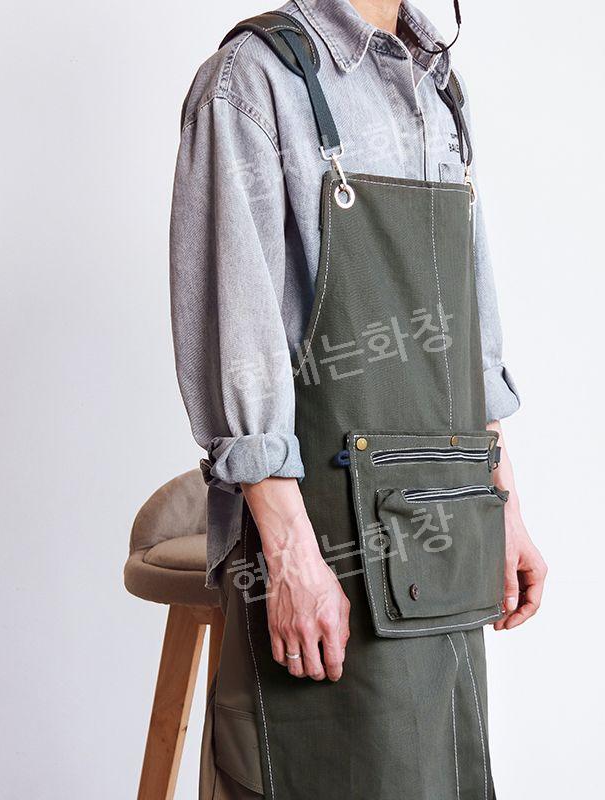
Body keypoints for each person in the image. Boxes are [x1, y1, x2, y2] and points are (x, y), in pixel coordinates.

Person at [170, 1, 547, 797]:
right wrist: (290, 557)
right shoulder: (254, 81)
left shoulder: (435, 85)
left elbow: (469, 331)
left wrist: (504, 503)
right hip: (326, 542)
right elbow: (238, 343)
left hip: (442, 537)